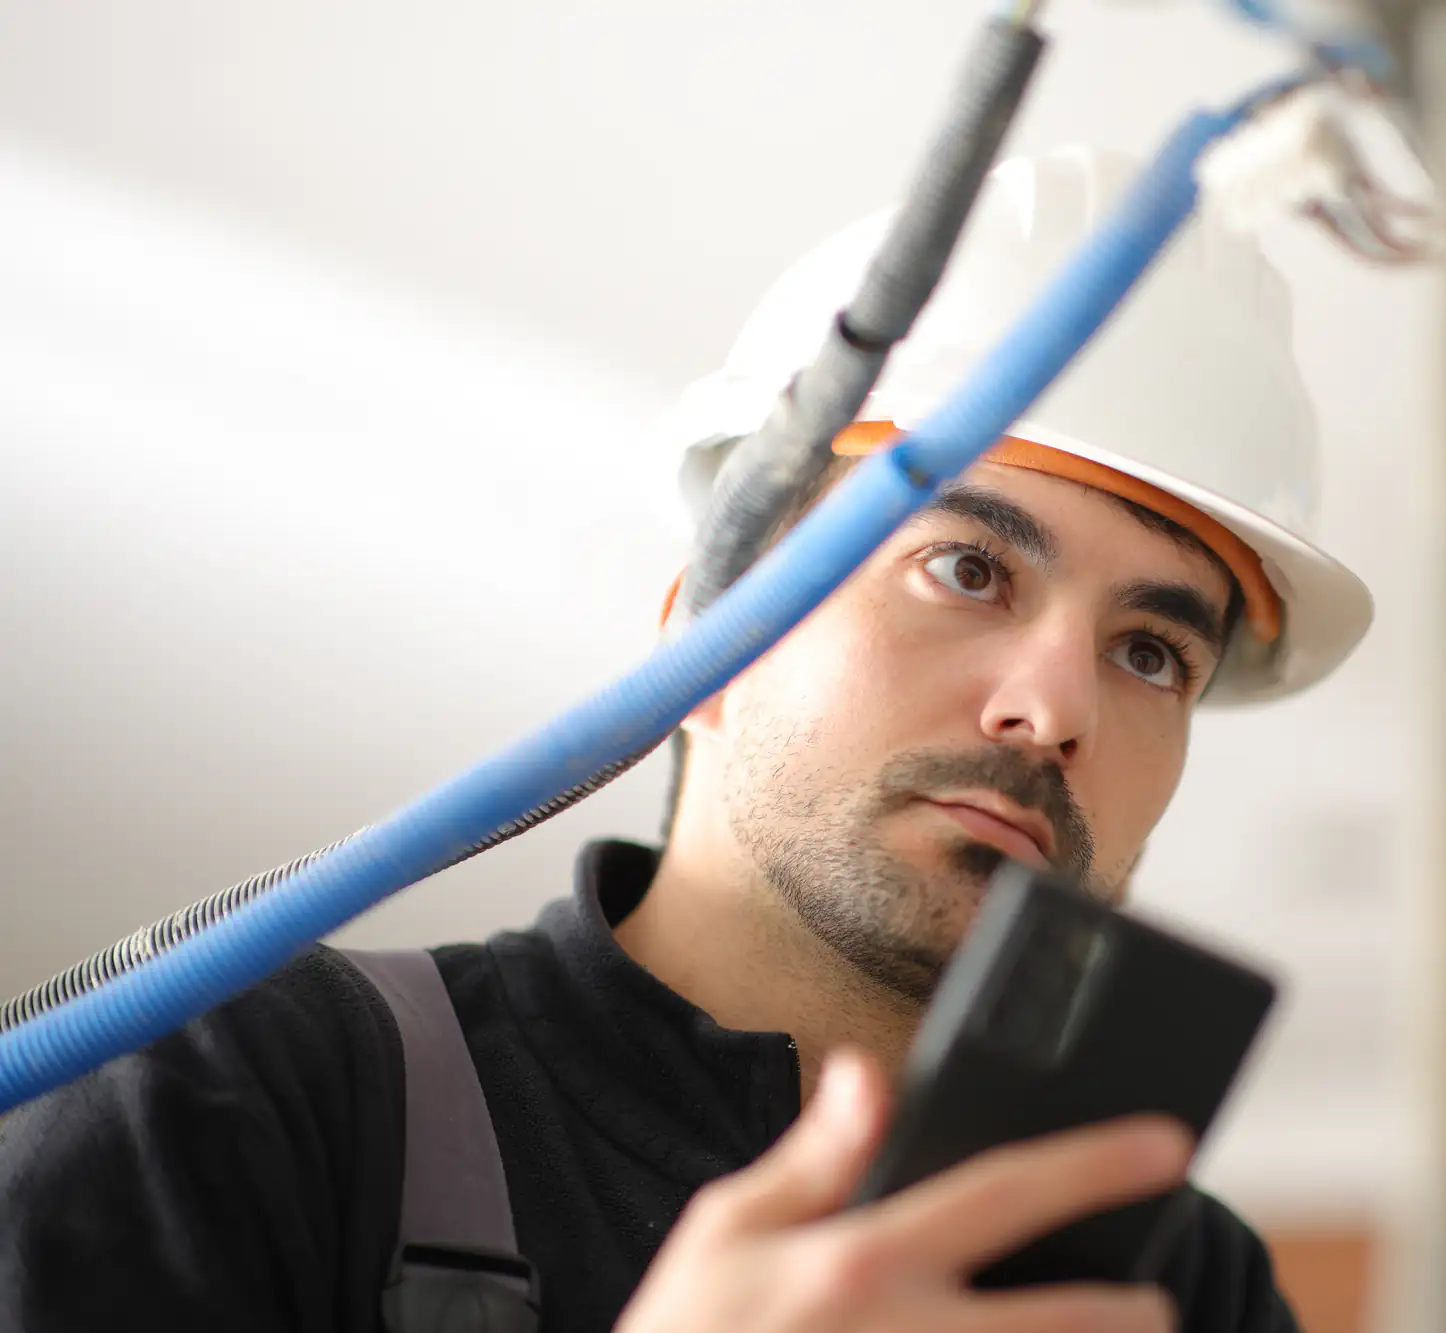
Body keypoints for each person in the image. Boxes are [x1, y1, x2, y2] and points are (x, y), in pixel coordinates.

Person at [0, 146, 1373, 1333]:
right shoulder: (237, 1101)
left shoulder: (1177, 1282)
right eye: (967, 570)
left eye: (1151, 654)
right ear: (707, 640)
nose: (1056, 706)